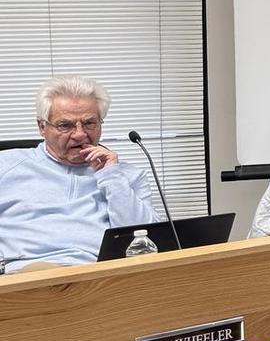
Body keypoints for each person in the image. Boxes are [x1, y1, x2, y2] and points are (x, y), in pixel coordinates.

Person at [0, 76, 159, 273]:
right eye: (65, 125)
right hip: (27, 276)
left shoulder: (128, 176)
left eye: (89, 123)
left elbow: (146, 240)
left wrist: (111, 177)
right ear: (42, 127)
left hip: (101, 276)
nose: (79, 134)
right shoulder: (5, 166)